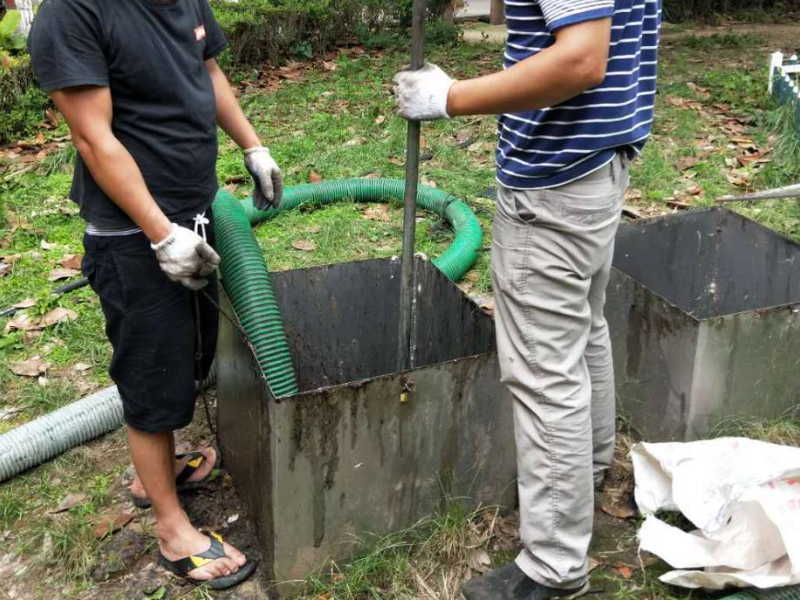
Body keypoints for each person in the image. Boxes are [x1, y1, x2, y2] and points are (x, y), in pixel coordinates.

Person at [393, 0, 661, 598]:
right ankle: (582, 478)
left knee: (544, 372)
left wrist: (450, 97)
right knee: (581, 332)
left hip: (555, 184)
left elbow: (581, 60)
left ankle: (553, 565)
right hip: (595, 167)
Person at [28, 0, 282, 589]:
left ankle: (156, 475)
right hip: (133, 232)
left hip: (191, 207)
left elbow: (208, 71)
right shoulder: (74, 12)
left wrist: (251, 144)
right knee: (151, 373)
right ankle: (171, 528)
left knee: (190, 355)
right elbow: (93, 138)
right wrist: (160, 234)